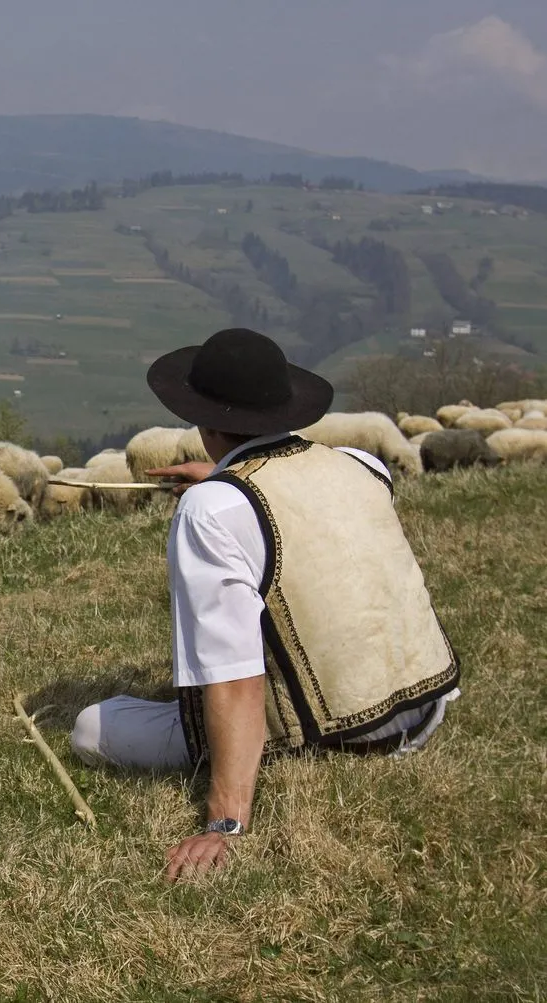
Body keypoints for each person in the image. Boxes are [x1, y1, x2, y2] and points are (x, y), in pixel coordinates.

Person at [70, 327, 460, 883]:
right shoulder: (361, 464)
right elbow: (303, 509)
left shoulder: (211, 511)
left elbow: (232, 674)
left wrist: (225, 822)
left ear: (203, 423)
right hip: (421, 708)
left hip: (336, 733)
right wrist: (226, 479)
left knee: (93, 727)